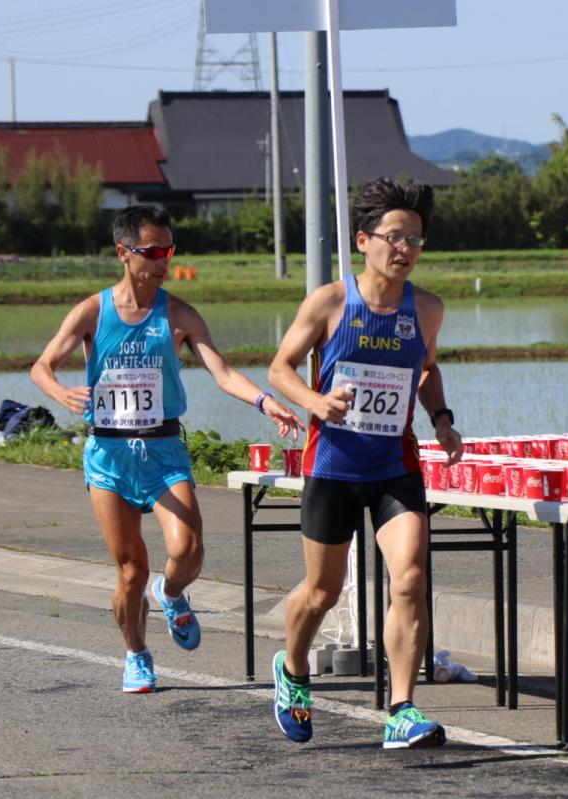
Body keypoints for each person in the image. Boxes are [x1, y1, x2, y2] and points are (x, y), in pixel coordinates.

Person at [31, 205, 302, 694]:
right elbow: (42, 366)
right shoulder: (93, 311)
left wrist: (266, 402)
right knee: (131, 569)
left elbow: (222, 373)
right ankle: (135, 653)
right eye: (152, 252)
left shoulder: (178, 313)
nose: (162, 262)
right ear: (123, 253)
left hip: (162, 452)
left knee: (190, 549)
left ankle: (172, 594)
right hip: (109, 456)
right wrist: (61, 393)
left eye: (168, 251)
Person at [266, 177, 463, 749]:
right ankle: (294, 669)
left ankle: (401, 709)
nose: (406, 250)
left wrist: (442, 419)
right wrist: (314, 401)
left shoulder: (426, 308)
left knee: (411, 578)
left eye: (417, 240)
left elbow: (425, 370)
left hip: (394, 465)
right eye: (395, 237)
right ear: (364, 240)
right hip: (333, 465)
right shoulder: (330, 302)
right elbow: (280, 368)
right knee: (322, 591)